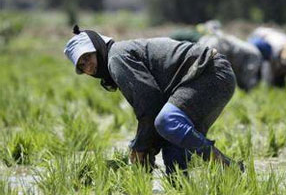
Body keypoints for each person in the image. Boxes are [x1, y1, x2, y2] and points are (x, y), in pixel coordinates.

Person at [64, 25, 243, 175]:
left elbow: (150, 104)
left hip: (209, 72)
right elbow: (153, 108)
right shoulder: (117, 58)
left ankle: (228, 168)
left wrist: (141, 146)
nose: (88, 67)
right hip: (201, 78)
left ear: (97, 47)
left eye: (87, 57)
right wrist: (147, 146)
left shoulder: (116, 57)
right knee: (175, 168)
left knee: (168, 121)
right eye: (82, 66)